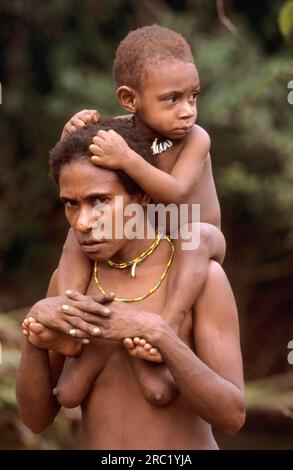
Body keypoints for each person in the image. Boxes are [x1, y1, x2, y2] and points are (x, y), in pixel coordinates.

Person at [16, 120, 245, 449]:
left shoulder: (200, 279)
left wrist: (159, 332)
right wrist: (35, 331)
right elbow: (35, 420)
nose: (83, 222)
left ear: (141, 195)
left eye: (100, 201)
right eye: (71, 203)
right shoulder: (72, 285)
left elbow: (232, 417)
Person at [56, 25, 226, 361]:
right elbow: (76, 172)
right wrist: (69, 134)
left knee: (198, 233)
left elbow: (175, 194)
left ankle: (170, 324)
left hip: (195, 239)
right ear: (130, 99)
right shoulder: (122, 130)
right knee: (78, 233)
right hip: (145, 236)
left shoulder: (195, 139)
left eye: (193, 96)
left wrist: (127, 158)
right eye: (172, 99)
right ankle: (70, 318)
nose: (187, 110)